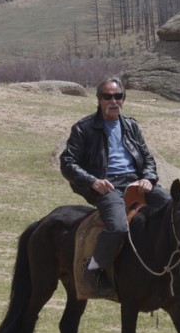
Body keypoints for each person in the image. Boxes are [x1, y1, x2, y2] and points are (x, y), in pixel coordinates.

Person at [60, 76, 171, 294]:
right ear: (99, 99)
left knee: (171, 207)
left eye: (118, 96)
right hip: (107, 185)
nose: (113, 101)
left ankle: (172, 263)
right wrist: (93, 181)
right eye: (107, 96)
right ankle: (94, 270)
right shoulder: (84, 128)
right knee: (118, 226)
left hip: (136, 182)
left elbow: (147, 158)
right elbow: (67, 162)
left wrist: (148, 178)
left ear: (123, 99)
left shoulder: (131, 125)